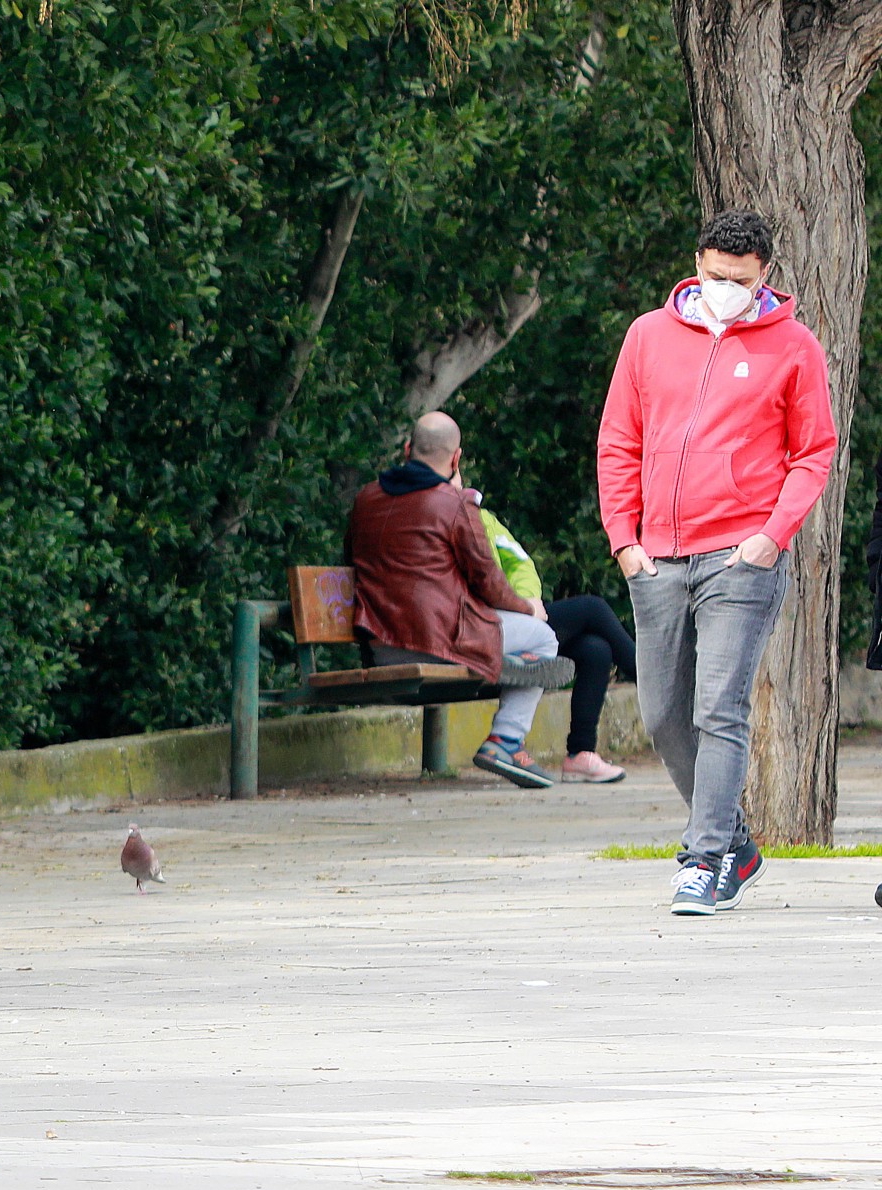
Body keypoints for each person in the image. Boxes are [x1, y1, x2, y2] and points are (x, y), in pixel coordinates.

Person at [598, 209, 837, 916]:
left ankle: (704, 858)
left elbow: (813, 452)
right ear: (695, 262)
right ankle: (736, 838)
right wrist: (625, 541)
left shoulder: (792, 347)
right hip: (657, 557)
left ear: (765, 274)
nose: (725, 289)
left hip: (741, 557)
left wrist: (771, 535)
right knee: (663, 713)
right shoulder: (647, 335)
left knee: (719, 707)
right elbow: (619, 441)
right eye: (713, 276)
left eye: (740, 280)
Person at [346, 412, 560, 789]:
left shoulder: (365, 499)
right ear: (456, 459)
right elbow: (489, 581)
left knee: (513, 639)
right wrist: (528, 607)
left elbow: (351, 560)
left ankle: (506, 731)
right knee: (543, 638)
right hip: (440, 645)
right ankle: (506, 740)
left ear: (408, 449)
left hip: (381, 648)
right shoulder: (455, 503)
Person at [465, 479, 637, 783]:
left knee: (594, 649)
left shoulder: (481, 516)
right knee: (592, 609)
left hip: (513, 619)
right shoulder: (445, 516)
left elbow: (520, 563)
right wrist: (522, 608)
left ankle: (580, 754)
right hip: (481, 626)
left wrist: (527, 601)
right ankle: (657, 685)